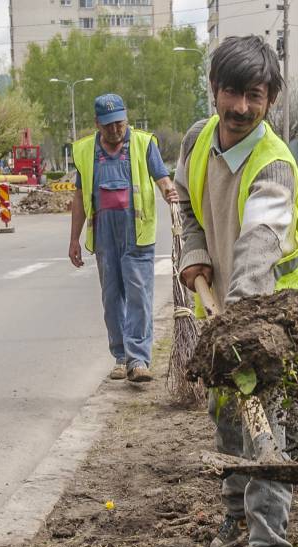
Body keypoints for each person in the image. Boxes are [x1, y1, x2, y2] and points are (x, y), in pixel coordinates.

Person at [175, 35, 298, 547]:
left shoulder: (274, 164)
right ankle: (234, 515)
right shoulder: (197, 139)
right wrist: (194, 253)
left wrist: (241, 333)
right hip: (224, 300)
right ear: (214, 89)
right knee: (224, 410)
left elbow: (258, 247)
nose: (242, 107)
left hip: (270, 308)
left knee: (262, 429)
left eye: (255, 95)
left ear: (271, 99)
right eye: (232, 92)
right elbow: (187, 204)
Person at [69, 93, 178, 383]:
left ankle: (138, 359)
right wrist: (74, 239)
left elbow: (161, 177)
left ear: (126, 119)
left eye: (119, 123)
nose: (115, 130)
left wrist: (169, 192)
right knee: (112, 298)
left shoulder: (144, 143)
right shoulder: (85, 151)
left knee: (139, 295)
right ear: (97, 123)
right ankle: (121, 357)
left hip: (136, 232)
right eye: (108, 125)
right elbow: (79, 197)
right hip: (104, 235)